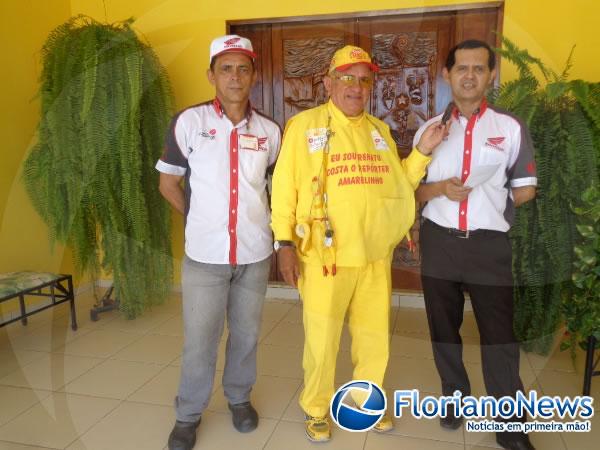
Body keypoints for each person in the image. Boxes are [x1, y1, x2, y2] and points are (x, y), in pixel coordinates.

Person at [271, 45, 441, 442]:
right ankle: (316, 407)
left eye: (365, 79)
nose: (356, 87)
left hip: (372, 256)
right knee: (322, 339)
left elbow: (400, 185)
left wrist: (422, 152)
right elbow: (284, 190)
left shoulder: (379, 131)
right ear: (329, 82)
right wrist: (283, 243)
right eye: (347, 77)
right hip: (324, 257)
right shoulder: (303, 126)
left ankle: (366, 401)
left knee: (373, 337)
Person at [156, 35, 281, 450]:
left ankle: (240, 399)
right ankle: (188, 414)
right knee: (200, 340)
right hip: (205, 257)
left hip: (254, 254)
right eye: (225, 68)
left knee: (246, 334)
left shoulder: (269, 131)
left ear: (254, 76)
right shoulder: (188, 123)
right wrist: (200, 221)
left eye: (243, 68)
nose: (235, 76)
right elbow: (168, 183)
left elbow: (273, 188)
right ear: (211, 75)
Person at [414, 39, 537, 450]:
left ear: (490, 75)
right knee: (443, 327)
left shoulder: (510, 128)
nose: (469, 75)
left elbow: (525, 189)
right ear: (447, 75)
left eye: (479, 69)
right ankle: (454, 394)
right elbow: (411, 191)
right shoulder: (429, 130)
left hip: (488, 246)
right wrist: (440, 189)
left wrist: (489, 197)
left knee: (499, 334)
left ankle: (509, 423)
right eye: (461, 68)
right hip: (439, 242)